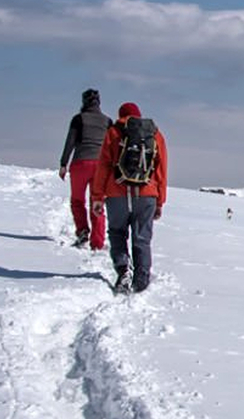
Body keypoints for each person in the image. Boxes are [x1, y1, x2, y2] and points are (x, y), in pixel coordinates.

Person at [91, 102, 168, 293]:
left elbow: (103, 166)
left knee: (117, 232)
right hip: (147, 194)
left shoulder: (114, 133)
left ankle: (123, 268)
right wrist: (160, 201)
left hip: (117, 193)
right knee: (142, 237)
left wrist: (97, 196)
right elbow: (161, 170)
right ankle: (141, 279)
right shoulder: (155, 135)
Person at [58, 88, 112, 249]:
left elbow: (71, 141)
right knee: (97, 202)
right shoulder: (107, 121)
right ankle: (97, 242)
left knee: (77, 200)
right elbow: (112, 146)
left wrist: (63, 164)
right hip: (101, 166)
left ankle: (82, 231)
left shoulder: (78, 119)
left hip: (80, 164)